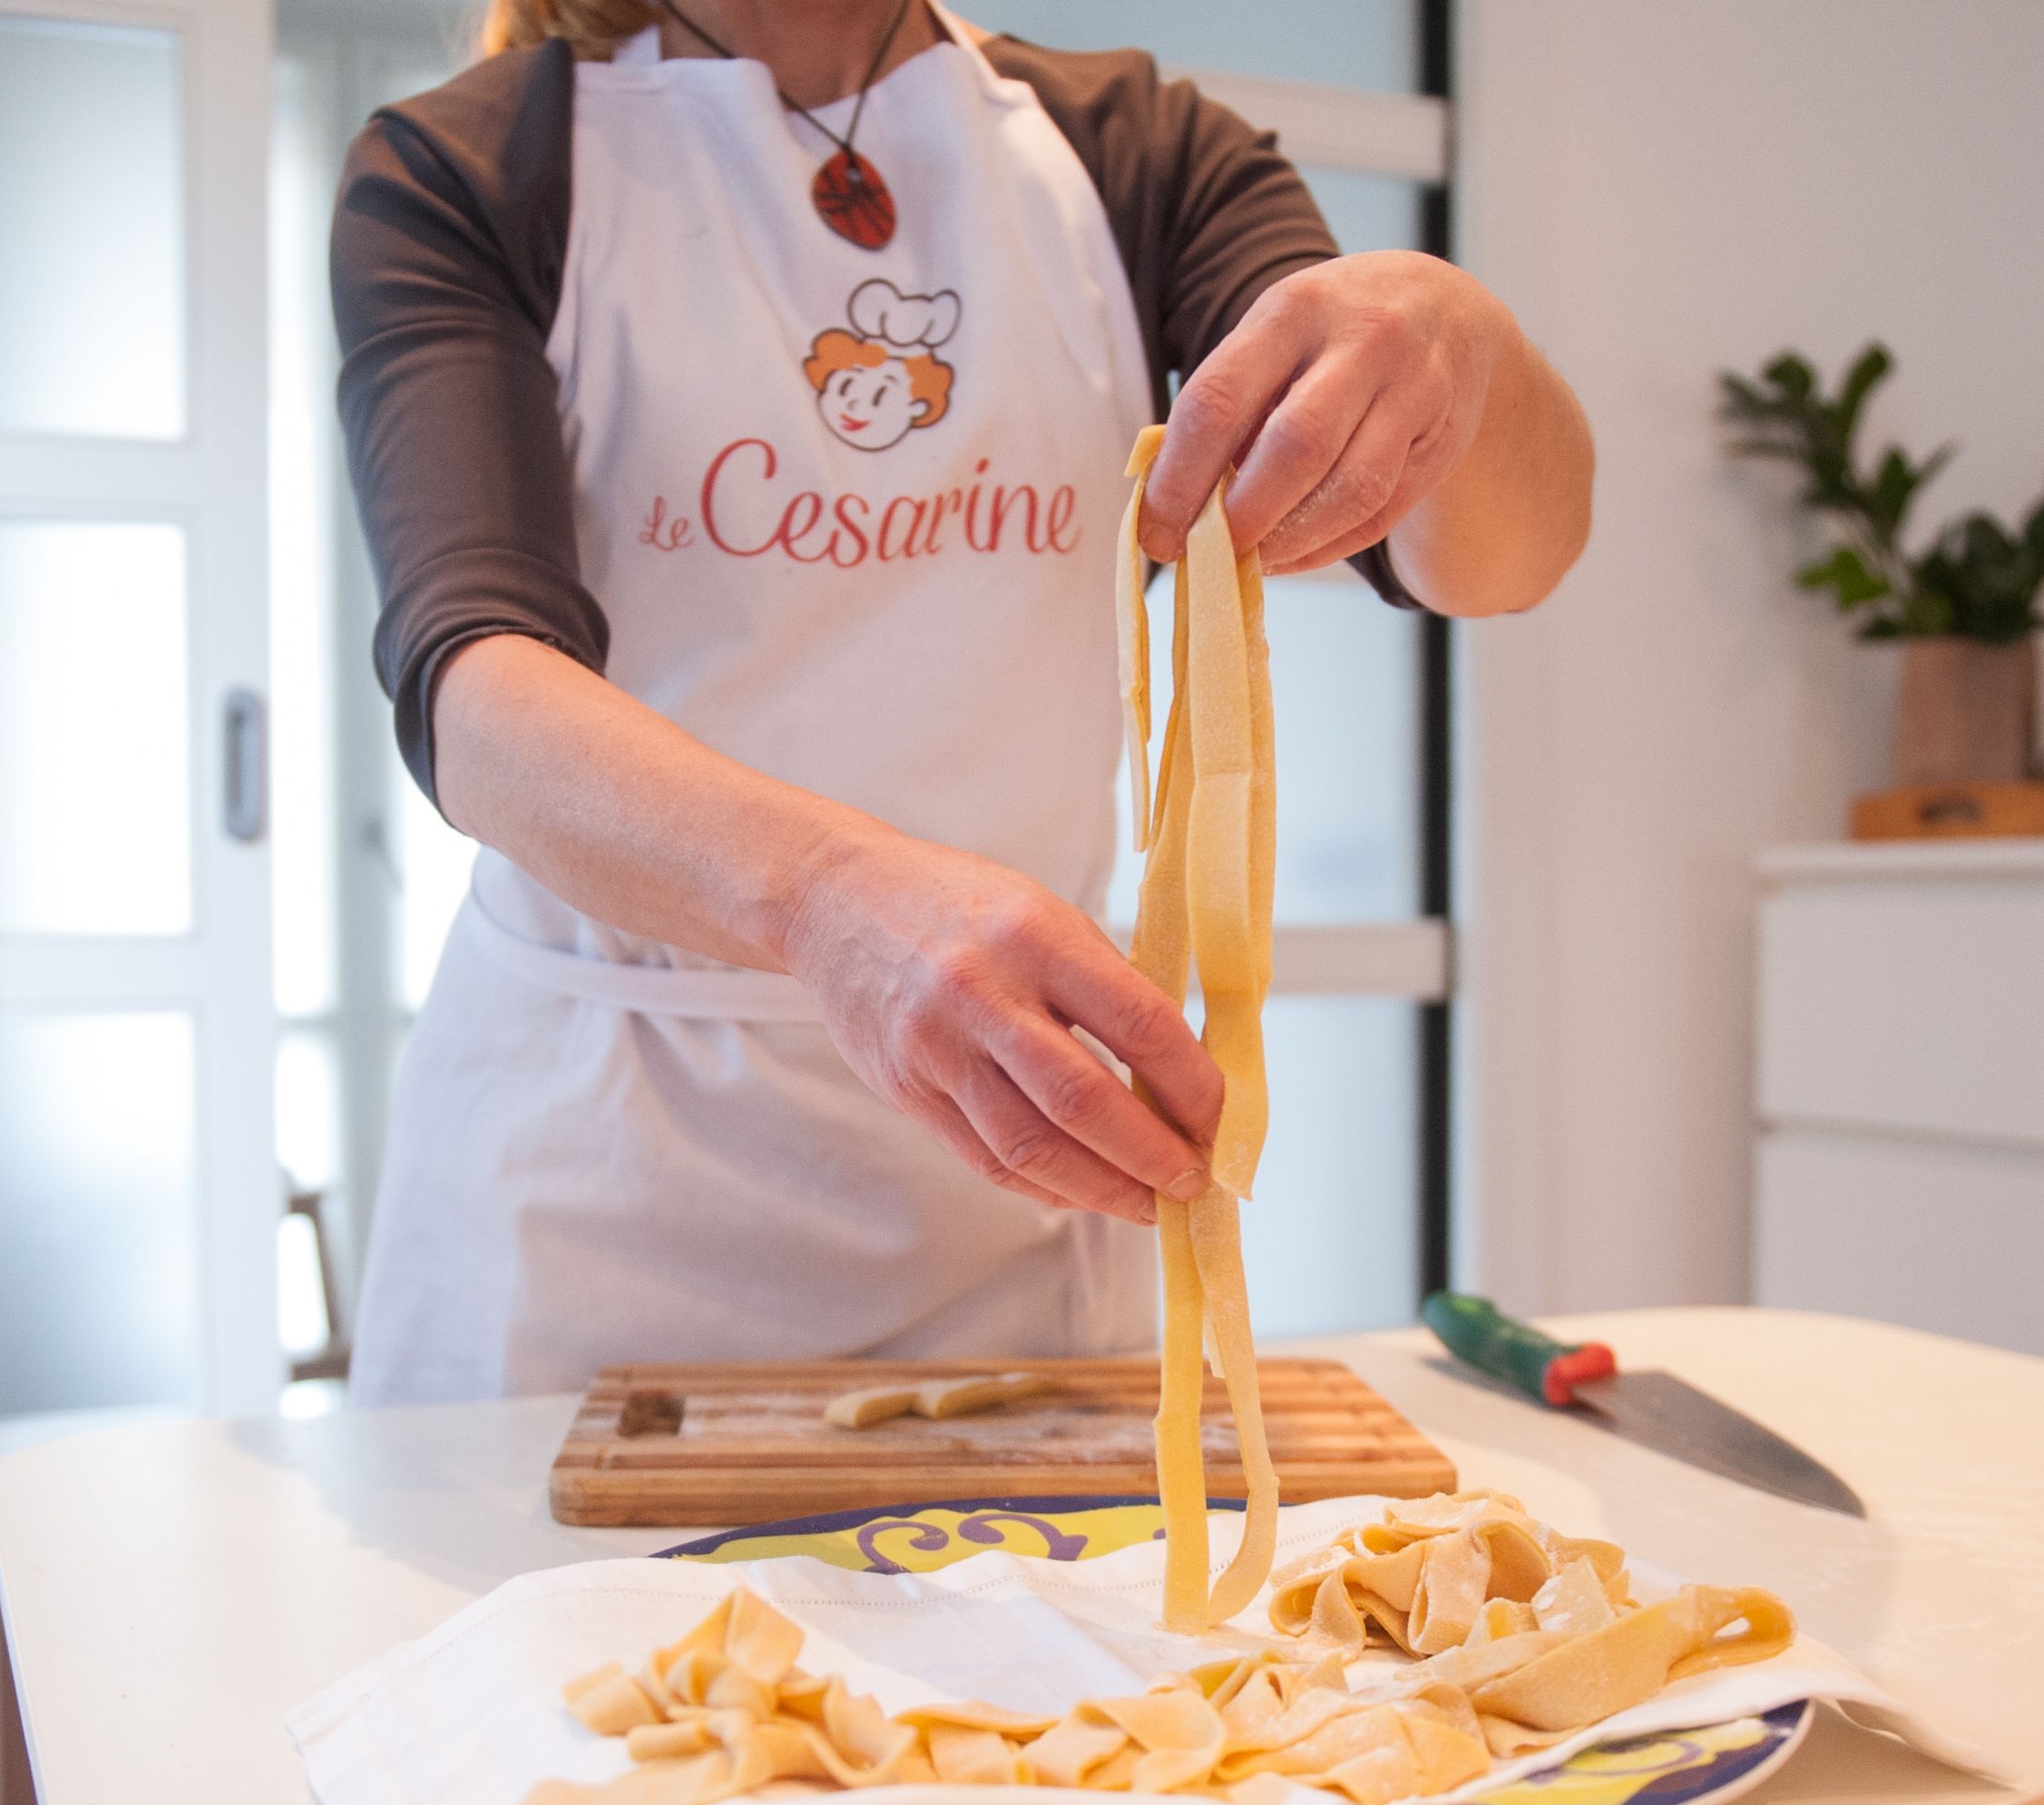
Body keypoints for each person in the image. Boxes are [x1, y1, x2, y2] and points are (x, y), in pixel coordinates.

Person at [335, 0, 1593, 1403]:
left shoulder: (1139, 154)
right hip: (596, 1208)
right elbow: (476, 686)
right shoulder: (473, 168)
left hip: (1013, 1203)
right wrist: (823, 898)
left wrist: (1459, 346)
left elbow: (1491, 559)